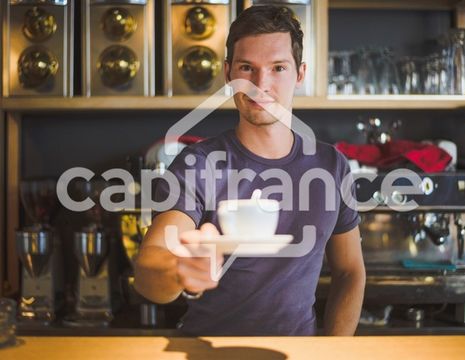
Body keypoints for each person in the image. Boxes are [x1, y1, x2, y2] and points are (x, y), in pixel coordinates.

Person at [134, 5, 365, 336]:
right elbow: (149, 267)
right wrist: (179, 270)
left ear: (300, 74)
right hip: (209, 353)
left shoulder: (331, 166)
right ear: (228, 74)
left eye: (277, 68)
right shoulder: (196, 164)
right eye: (247, 68)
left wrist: (334, 352)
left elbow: (350, 271)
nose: (260, 84)